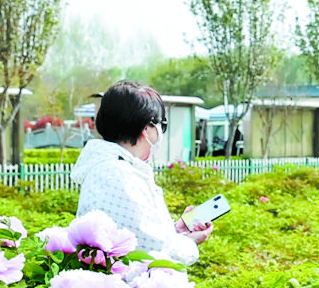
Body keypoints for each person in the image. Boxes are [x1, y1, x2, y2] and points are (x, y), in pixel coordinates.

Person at [71, 80, 213, 266]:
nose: (160, 134)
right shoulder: (120, 175)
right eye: (161, 126)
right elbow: (157, 251)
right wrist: (190, 243)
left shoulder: (111, 167)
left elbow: (136, 232)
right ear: (146, 128)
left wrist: (175, 230)